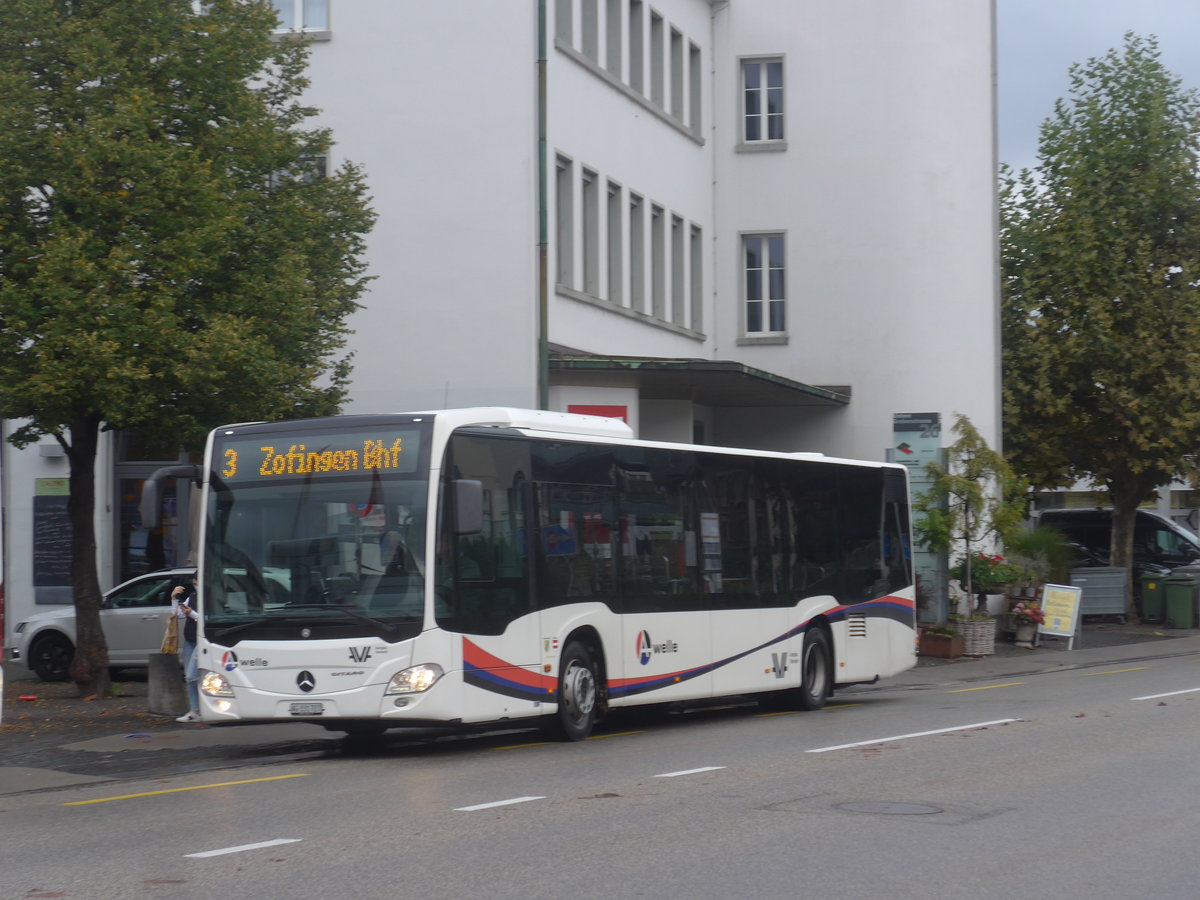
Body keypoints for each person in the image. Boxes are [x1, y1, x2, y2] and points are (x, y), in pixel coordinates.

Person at [171, 575, 202, 723]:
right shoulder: (193, 596)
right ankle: (195, 710)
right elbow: (177, 614)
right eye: (194, 583)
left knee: (192, 676)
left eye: (198, 583)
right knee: (190, 678)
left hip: (202, 641)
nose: (196, 586)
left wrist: (192, 614)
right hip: (190, 639)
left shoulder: (211, 597)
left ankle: (198, 710)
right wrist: (174, 598)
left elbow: (207, 620)